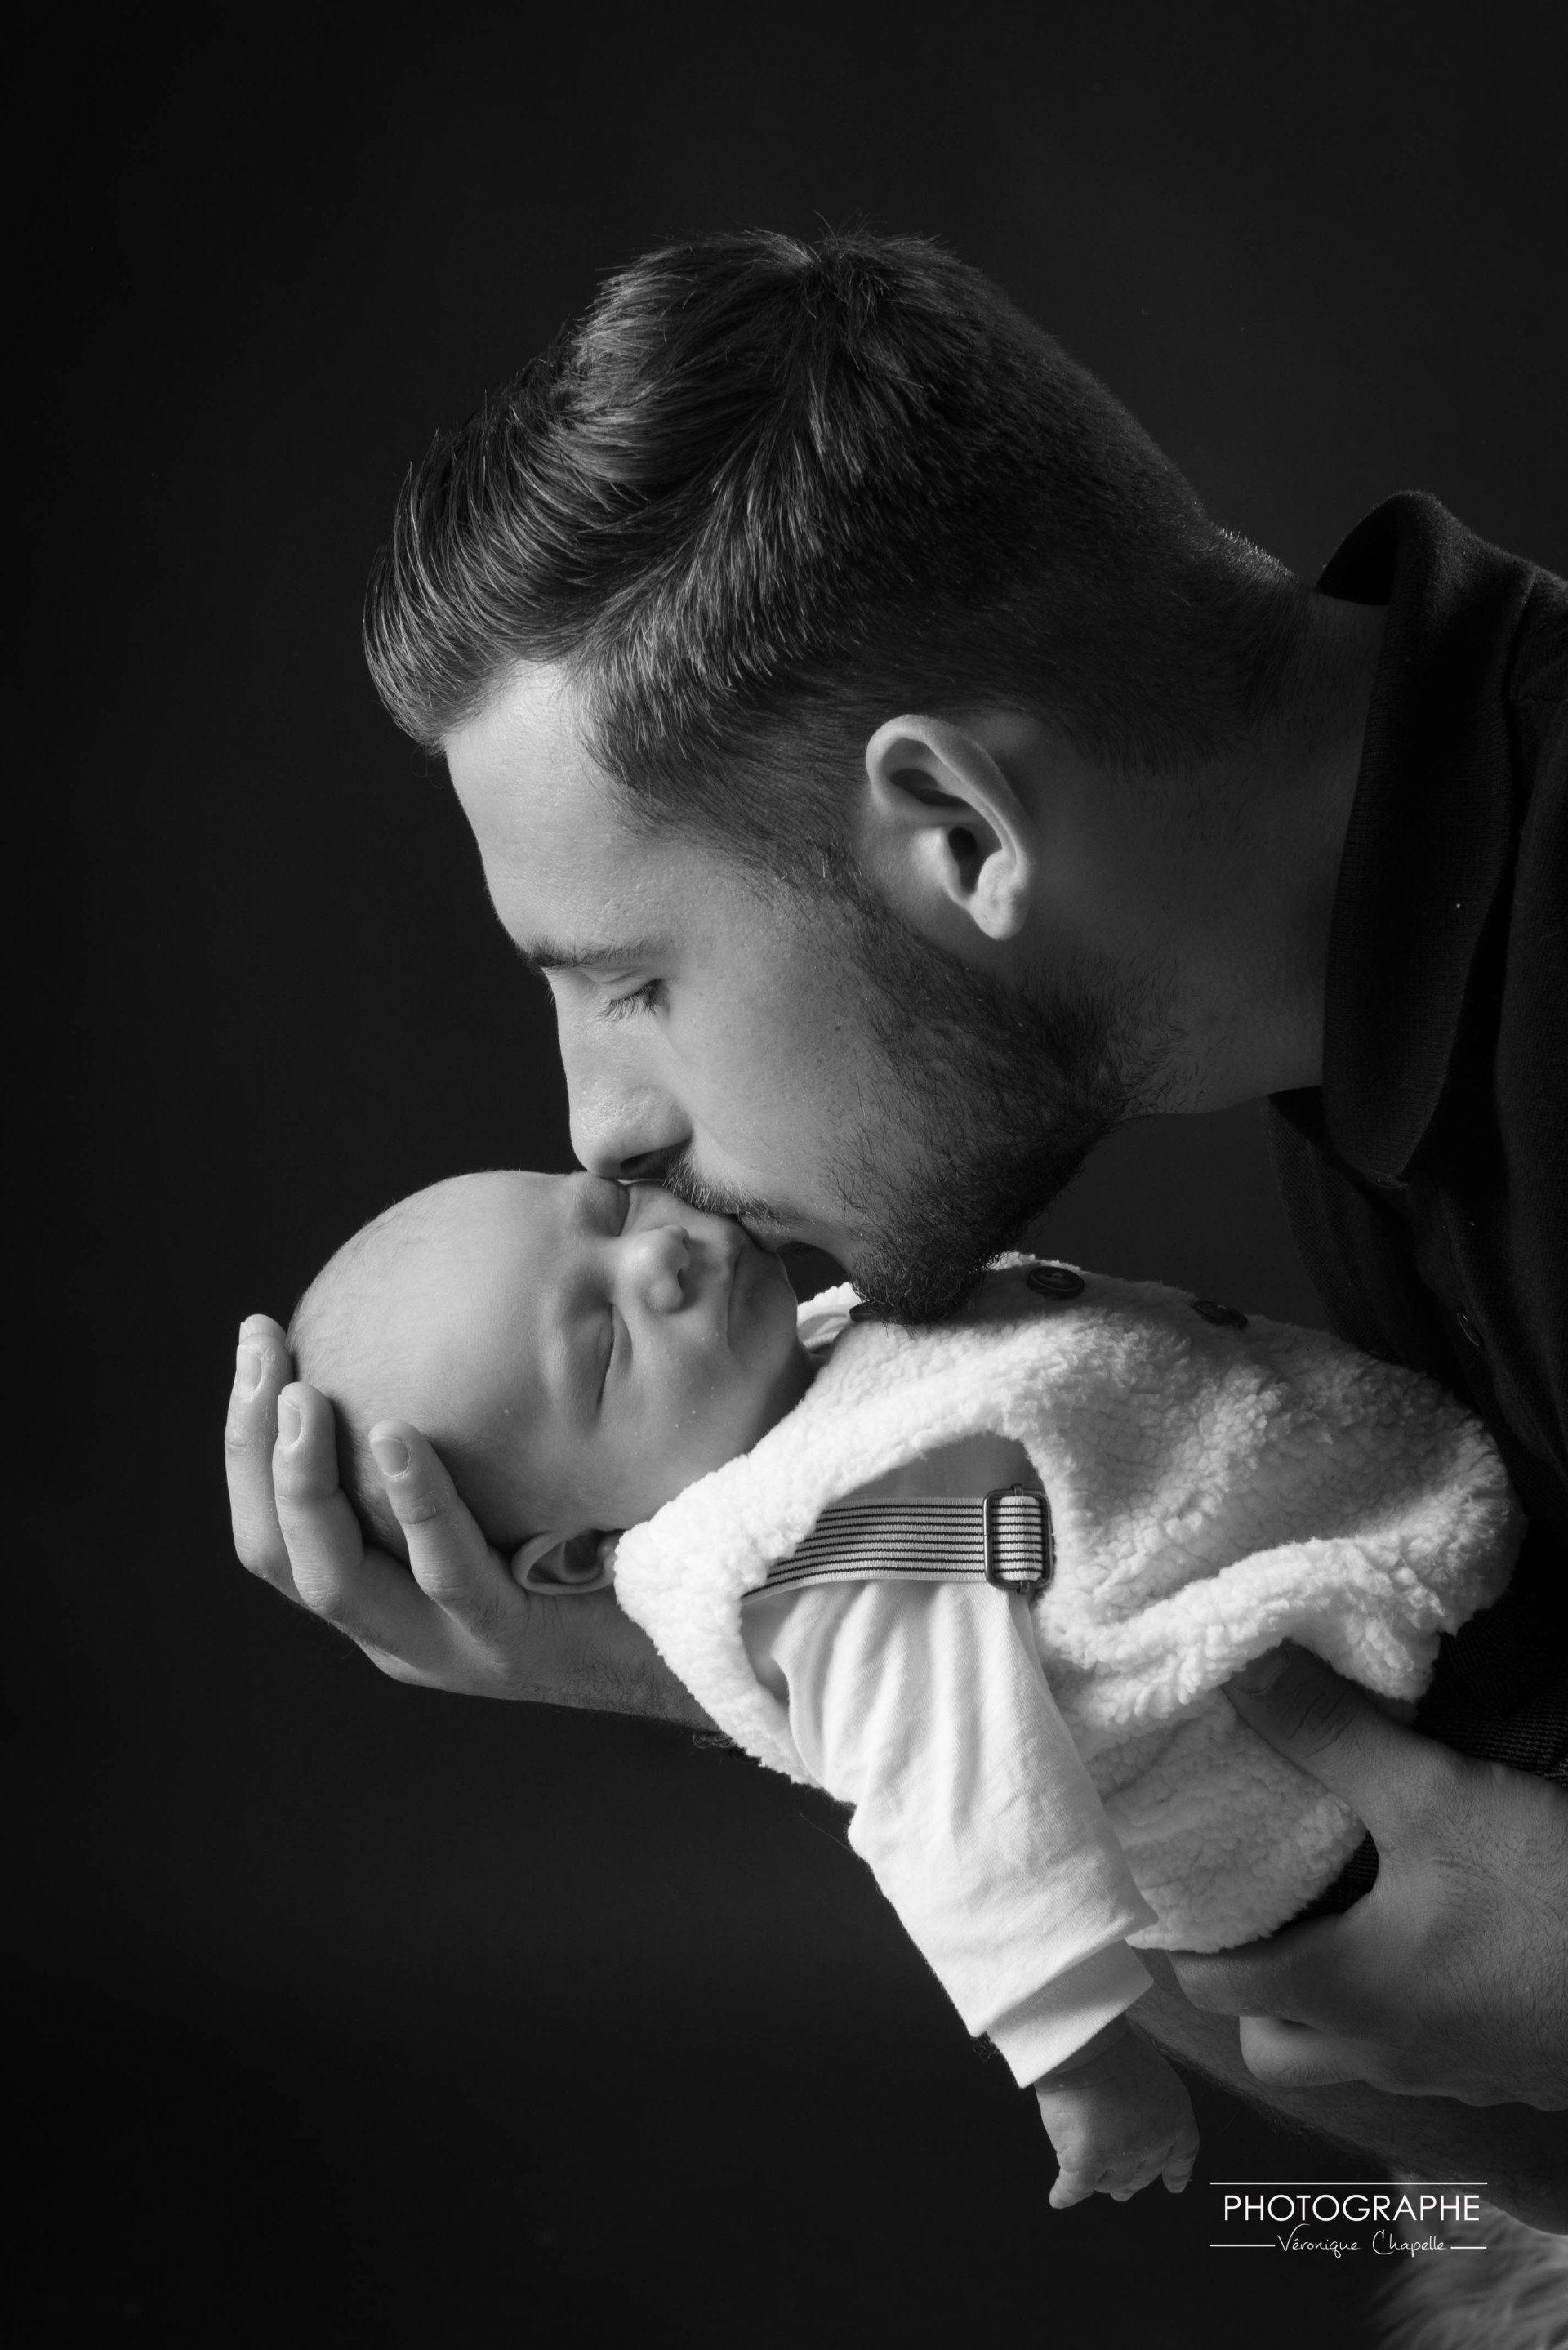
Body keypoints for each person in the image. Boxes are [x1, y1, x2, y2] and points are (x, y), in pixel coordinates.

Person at [225, 230, 1567, 2219]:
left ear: (956, 831)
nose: (601, 1129)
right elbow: (1477, 2087)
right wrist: (750, 1646)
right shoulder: (1375, 1010)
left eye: (627, 978)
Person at [283, 1165, 1520, 2207]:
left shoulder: (822, 1367)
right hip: (1378, 1749)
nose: (657, 1256)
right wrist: (1080, 2054)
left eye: (607, 1210)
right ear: (574, 1556)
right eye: (607, 1344)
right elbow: (959, 1806)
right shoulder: (824, 1558)